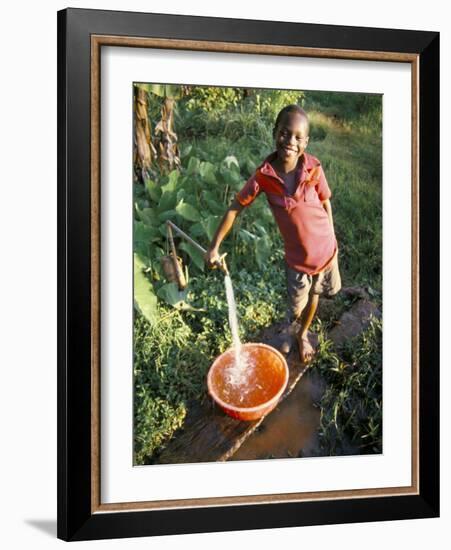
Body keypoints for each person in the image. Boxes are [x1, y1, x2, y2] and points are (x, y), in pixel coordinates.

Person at [205, 105, 341, 363]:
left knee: (317, 295)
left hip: (325, 251)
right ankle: (294, 326)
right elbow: (235, 208)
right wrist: (214, 246)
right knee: (296, 304)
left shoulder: (313, 168)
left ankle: (301, 335)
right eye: (285, 133)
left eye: (298, 137)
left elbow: (326, 202)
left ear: (306, 142)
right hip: (297, 259)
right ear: (274, 132)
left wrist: (332, 235)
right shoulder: (263, 177)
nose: (290, 141)